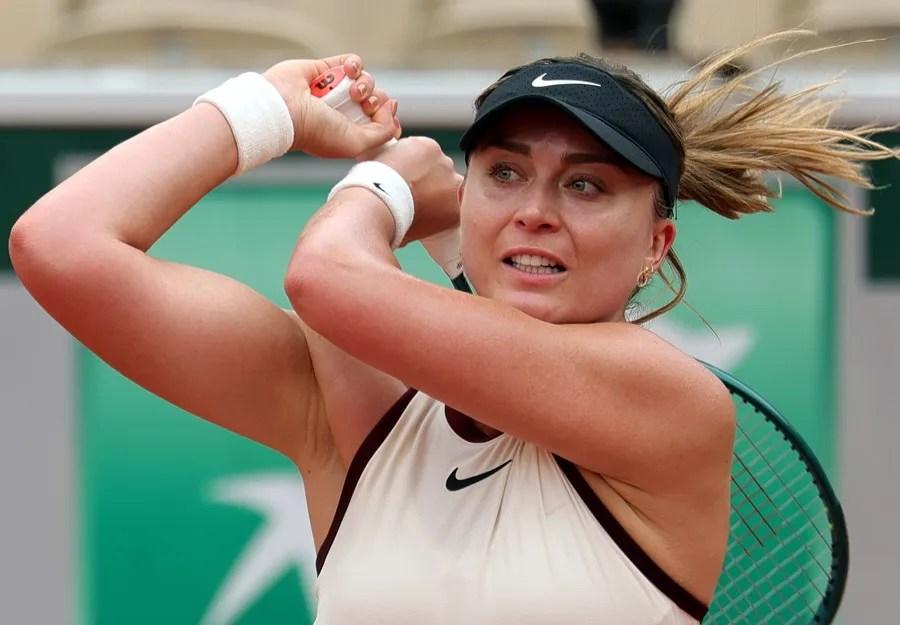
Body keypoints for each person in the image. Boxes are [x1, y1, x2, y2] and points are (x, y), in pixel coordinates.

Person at [9, 33, 896, 625]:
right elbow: (59, 246)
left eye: (585, 185)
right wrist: (269, 106)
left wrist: (384, 184)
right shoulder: (357, 414)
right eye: (504, 173)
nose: (537, 210)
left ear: (656, 244)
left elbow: (326, 278)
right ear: (467, 196)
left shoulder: (667, 399)